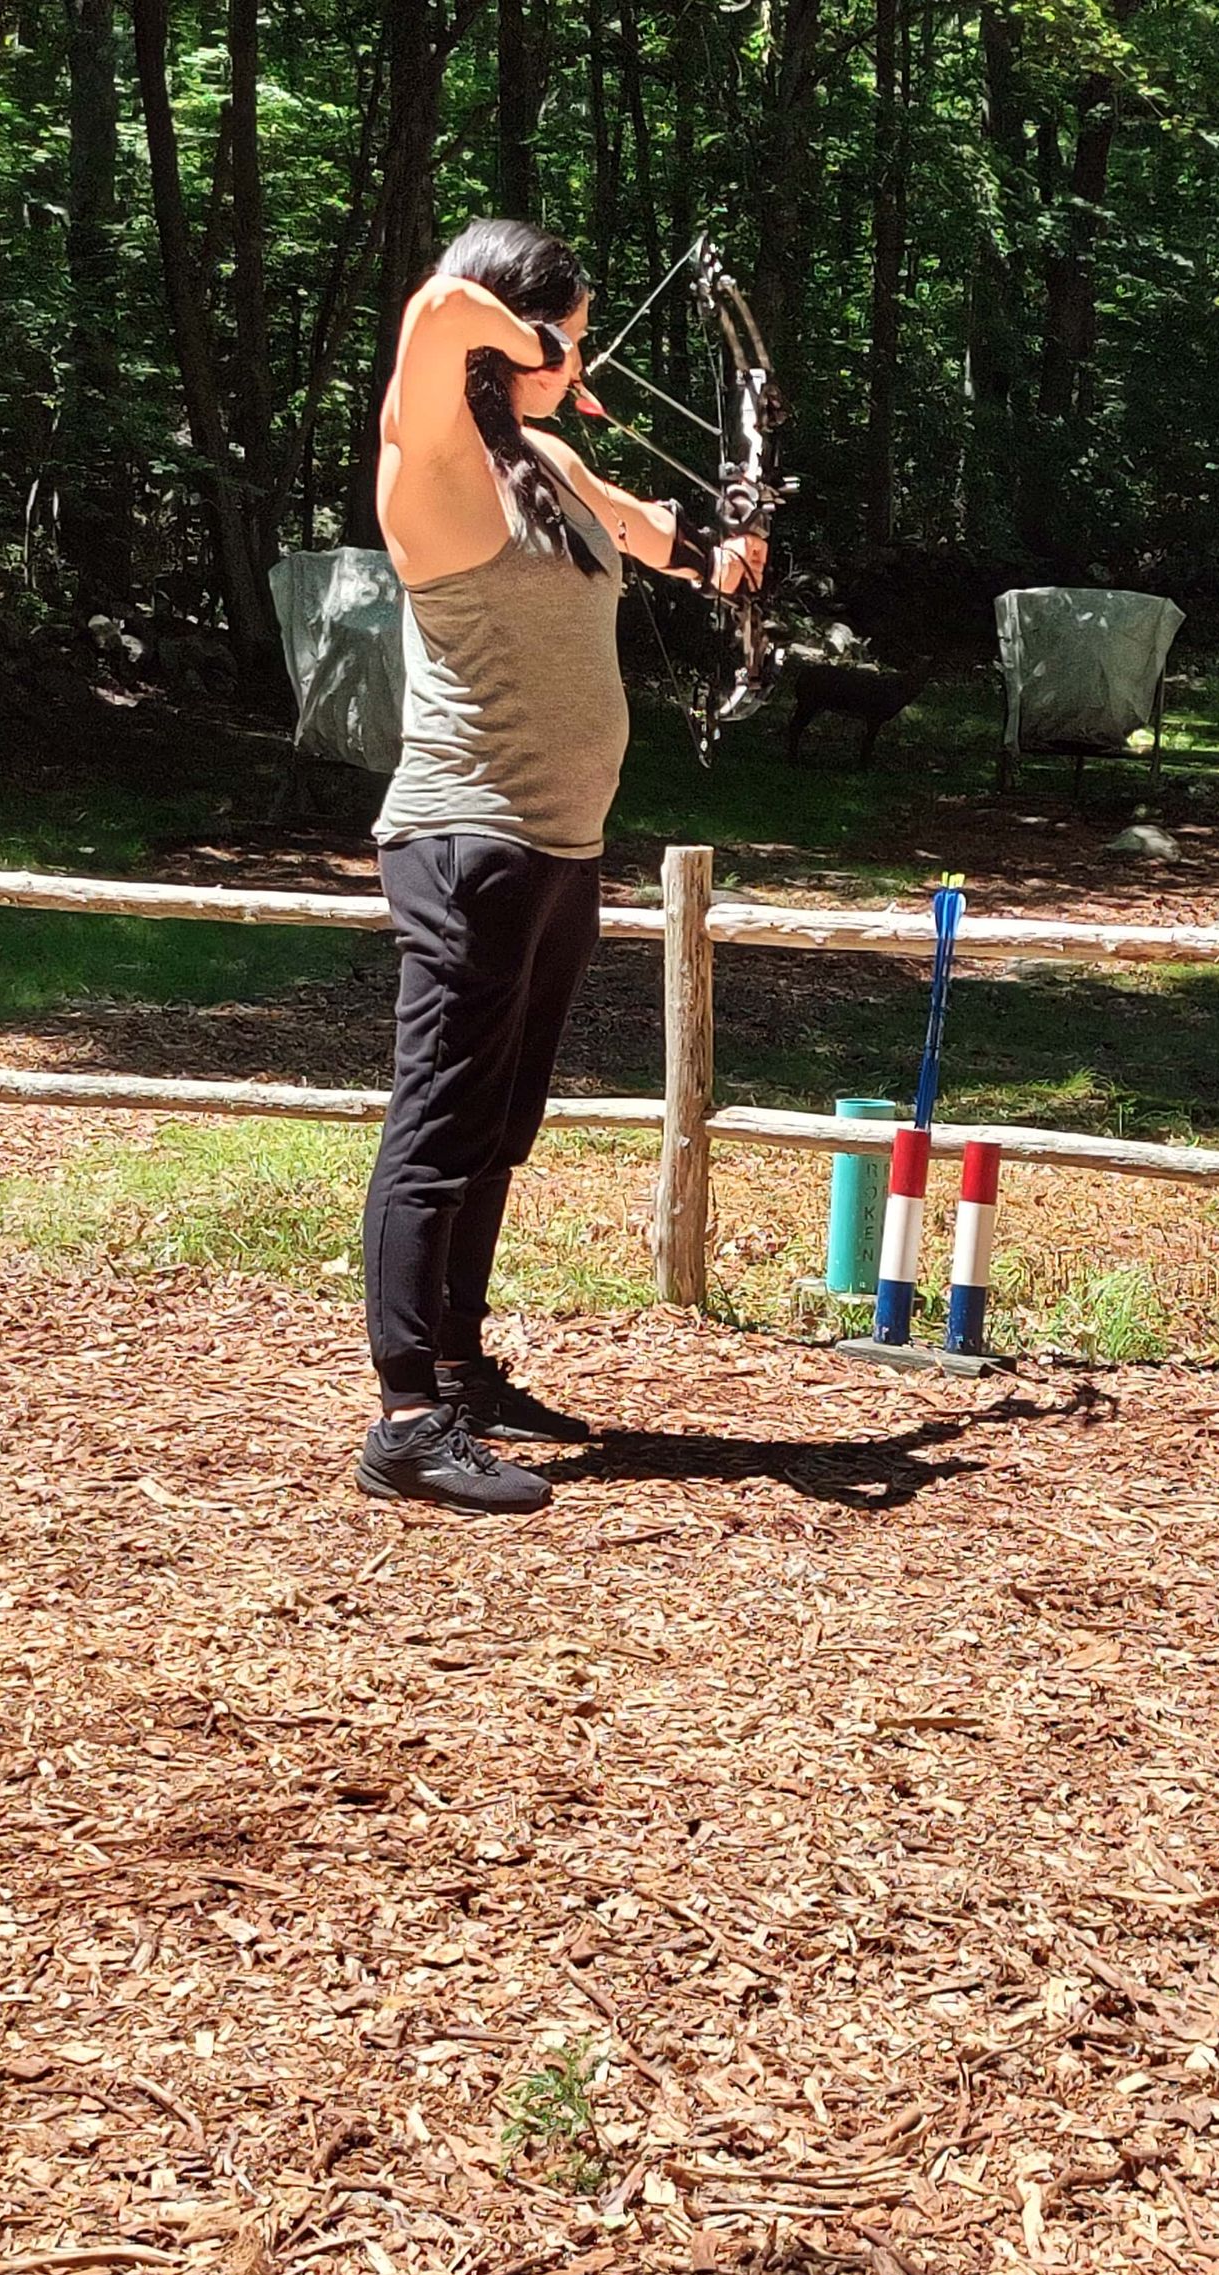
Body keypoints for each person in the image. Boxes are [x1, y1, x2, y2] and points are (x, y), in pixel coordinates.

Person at [355, 219, 762, 1516]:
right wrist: (537, 335)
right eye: (566, 341)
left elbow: (644, 530)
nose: (578, 363)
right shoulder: (430, 461)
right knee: (438, 1125)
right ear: (515, 340)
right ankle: (405, 1420)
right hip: (465, 839)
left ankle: (459, 1369)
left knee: (496, 1125)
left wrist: (723, 559)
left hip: (556, 848)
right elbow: (435, 311)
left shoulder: (543, 463)